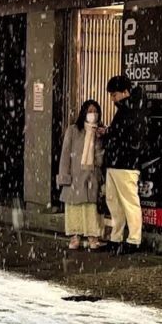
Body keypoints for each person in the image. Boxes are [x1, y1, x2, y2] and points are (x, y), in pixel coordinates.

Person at [101, 75, 150, 255]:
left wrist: (109, 133)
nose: (112, 98)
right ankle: (117, 237)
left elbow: (130, 137)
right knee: (114, 202)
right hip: (118, 163)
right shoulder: (128, 108)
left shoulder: (132, 109)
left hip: (125, 163)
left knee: (127, 202)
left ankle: (133, 239)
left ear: (124, 92)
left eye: (114, 95)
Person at [58, 100, 106, 251]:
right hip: (75, 176)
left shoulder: (99, 132)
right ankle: (75, 237)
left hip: (91, 176)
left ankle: (93, 237)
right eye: (90, 110)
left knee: (90, 208)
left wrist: (98, 137)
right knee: (74, 207)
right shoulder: (73, 130)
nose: (93, 114)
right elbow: (65, 154)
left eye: (95, 111)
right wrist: (64, 176)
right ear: (84, 112)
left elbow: (100, 158)